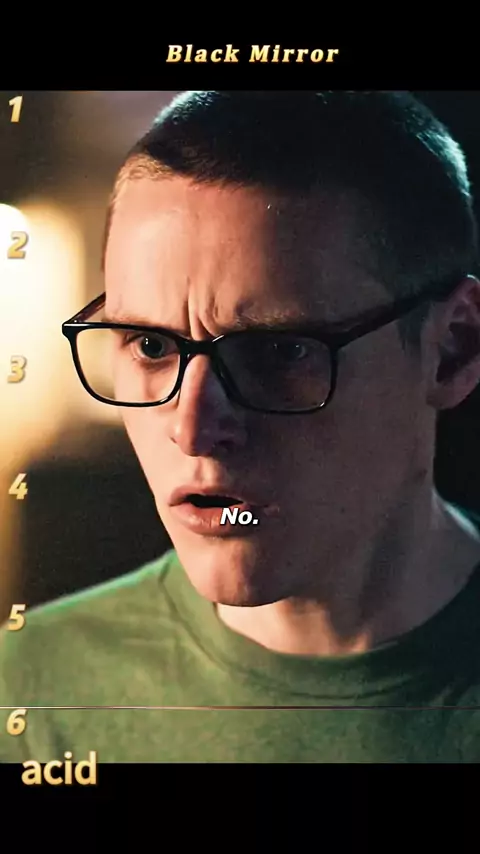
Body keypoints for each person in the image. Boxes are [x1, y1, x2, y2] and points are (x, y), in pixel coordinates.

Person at [1, 90, 480, 764]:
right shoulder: (28, 694)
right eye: (150, 346)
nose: (193, 429)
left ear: (452, 348)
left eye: (280, 352)